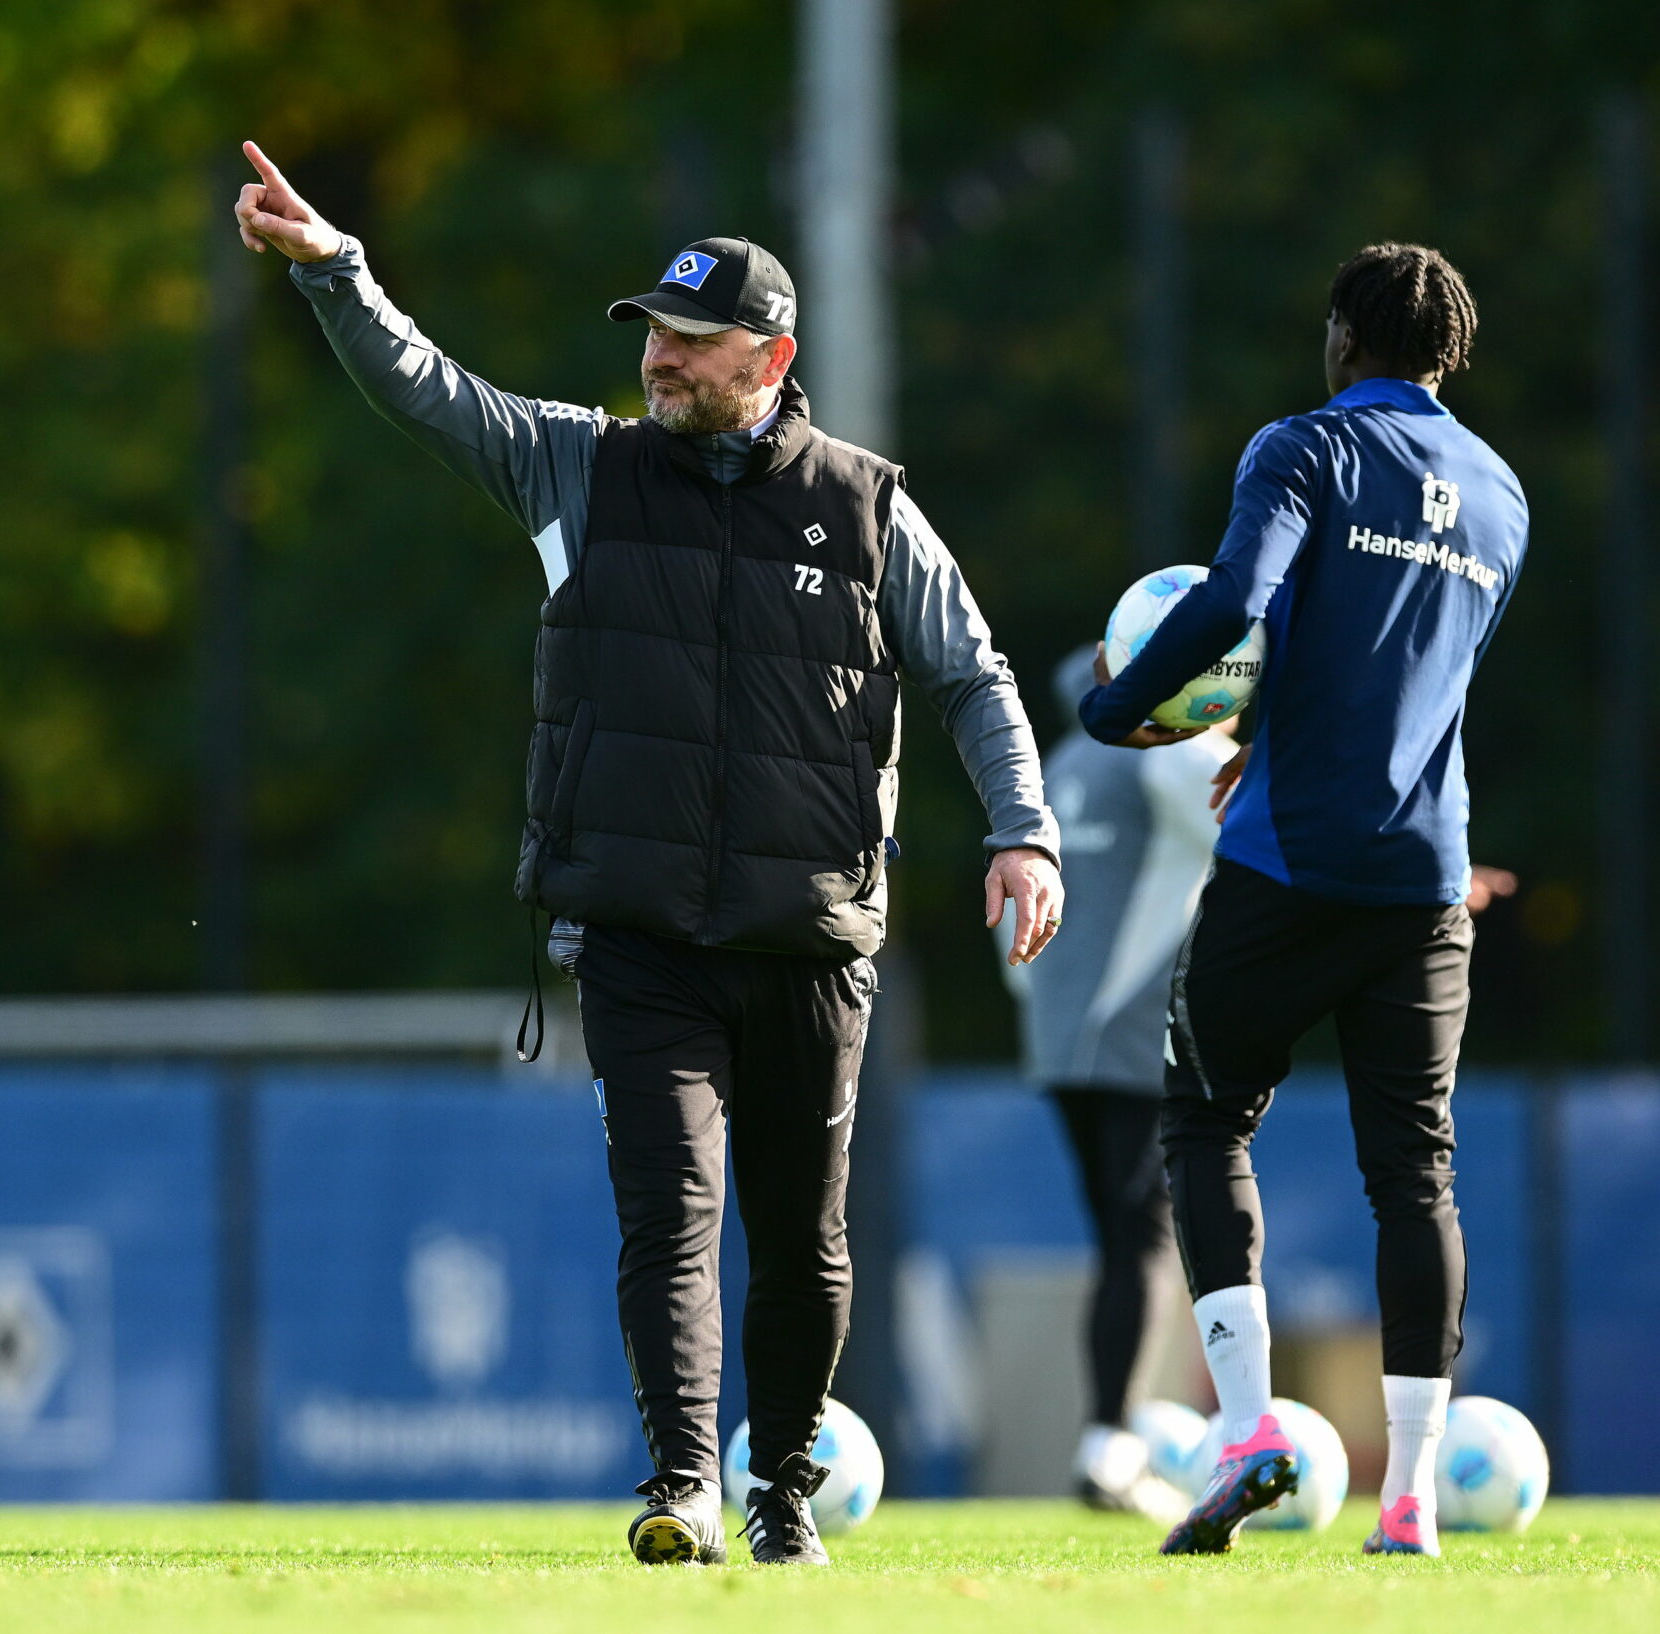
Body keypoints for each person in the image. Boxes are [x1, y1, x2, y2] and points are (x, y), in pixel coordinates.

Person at [234, 140, 1062, 1566]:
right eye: (654, 336)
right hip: (636, 935)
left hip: (810, 933)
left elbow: (976, 675)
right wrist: (341, 277)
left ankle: (781, 1491)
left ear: (772, 355)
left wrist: (1024, 829)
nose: (660, 360)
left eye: (690, 341)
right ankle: (682, 1477)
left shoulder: (867, 505)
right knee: (671, 1215)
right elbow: (432, 391)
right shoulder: (583, 465)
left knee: (804, 1244)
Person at [1078, 243, 1528, 1557]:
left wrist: (1119, 706)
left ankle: (1251, 1428)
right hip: (1425, 879)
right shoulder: (1503, 493)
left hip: (1287, 866)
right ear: (1453, 348)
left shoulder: (1302, 448)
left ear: (1343, 333)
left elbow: (1239, 600)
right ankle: (1411, 1497)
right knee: (1415, 1175)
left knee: (1207, 1116)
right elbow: (1407, 669)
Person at [998, 644, 1235, 1522]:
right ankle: (1109, 1450)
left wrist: (1049, 1011)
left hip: (1059, 1037)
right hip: (1136, 1034)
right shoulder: (1171, 754)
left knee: (1120, 1237)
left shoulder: (1058, 757)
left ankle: (1110, 1441)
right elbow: (1271, 832)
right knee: (1142, 1239)